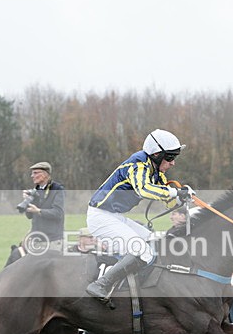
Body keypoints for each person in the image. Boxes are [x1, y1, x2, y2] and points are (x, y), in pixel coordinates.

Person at [85, 128, 191, 300]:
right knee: (142, 252)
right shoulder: (138, 164)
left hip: (114, 216)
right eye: (170, 157)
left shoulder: (157, 173)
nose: (173, 163)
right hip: (100, 216)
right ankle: (101, 285)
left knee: (153, 241)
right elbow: (144, 189)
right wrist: (174, 192)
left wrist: (181, 198)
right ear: (156, 154)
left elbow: (168, 200)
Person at [20, 161, 65, 252]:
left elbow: (58, 213)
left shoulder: (57, 189)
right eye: (32, 173)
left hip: (52, 240)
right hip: (37, 240)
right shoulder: (35, 191)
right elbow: (30, 216)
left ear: (45, 174)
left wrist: (39, 211)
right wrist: (27, 202)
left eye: (35, 173)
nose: (32, 176)